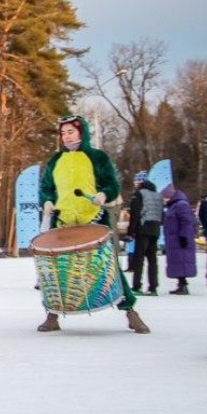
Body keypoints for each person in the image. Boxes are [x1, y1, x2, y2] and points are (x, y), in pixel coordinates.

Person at [37, 115, 150, 334]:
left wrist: (103, 194)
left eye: (70, 131)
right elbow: (46, 187)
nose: (66, 136)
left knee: (108, 267)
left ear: (82, 132)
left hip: (94, 219)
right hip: (64, 222)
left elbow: (112, 184)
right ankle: (52, 315)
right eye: (63, 132)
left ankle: (130, 312)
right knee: (58, 270)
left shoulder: (97, 157)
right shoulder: (55, 160)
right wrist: (48, 200)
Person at [127, 170, 162, 296]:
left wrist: (130, 232)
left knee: (139, 258)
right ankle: (153, 287)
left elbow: (135, 214)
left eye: (136, 181)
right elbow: (161, 213)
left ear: (140, 182)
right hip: (155, 228)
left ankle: (137, 286)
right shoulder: (157, 194)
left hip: (143, 228)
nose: (135, 183)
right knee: (152, 258)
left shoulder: (139, 194)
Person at [162, 184, 197, 295]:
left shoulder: (181, 205)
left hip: (180, 239)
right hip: (175, 240)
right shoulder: (173, 205)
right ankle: (181, 285)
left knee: (181, 262)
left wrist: (184, 236)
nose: (164, 199)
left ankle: (183, 286)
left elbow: (186, 222)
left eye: (165, 197)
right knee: (178, 262)